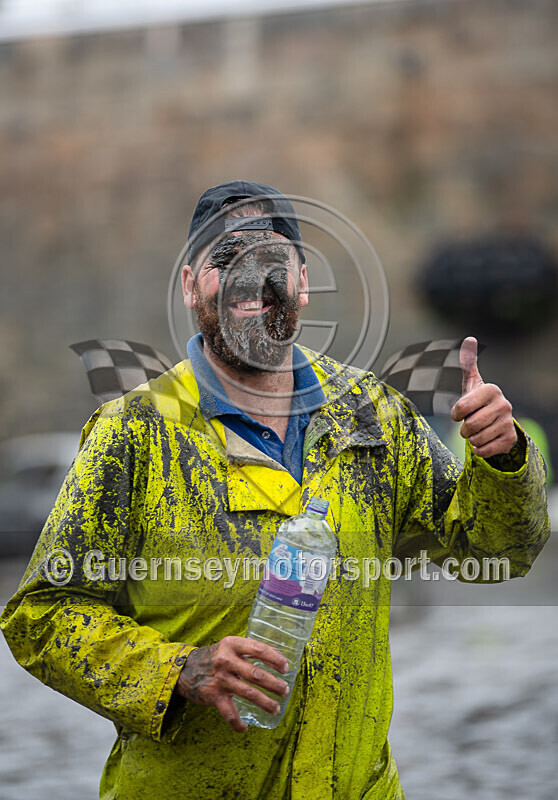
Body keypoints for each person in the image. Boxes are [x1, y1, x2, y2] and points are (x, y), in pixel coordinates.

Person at [0, 180, 550, 800]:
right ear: (189, 285)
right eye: (223, 259)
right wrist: (177, 670)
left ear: (302, 281)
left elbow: (496, 551)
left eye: (269, 260)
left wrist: (502, 459)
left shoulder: (371, 414)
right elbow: (40, 616)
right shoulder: (136, 431)